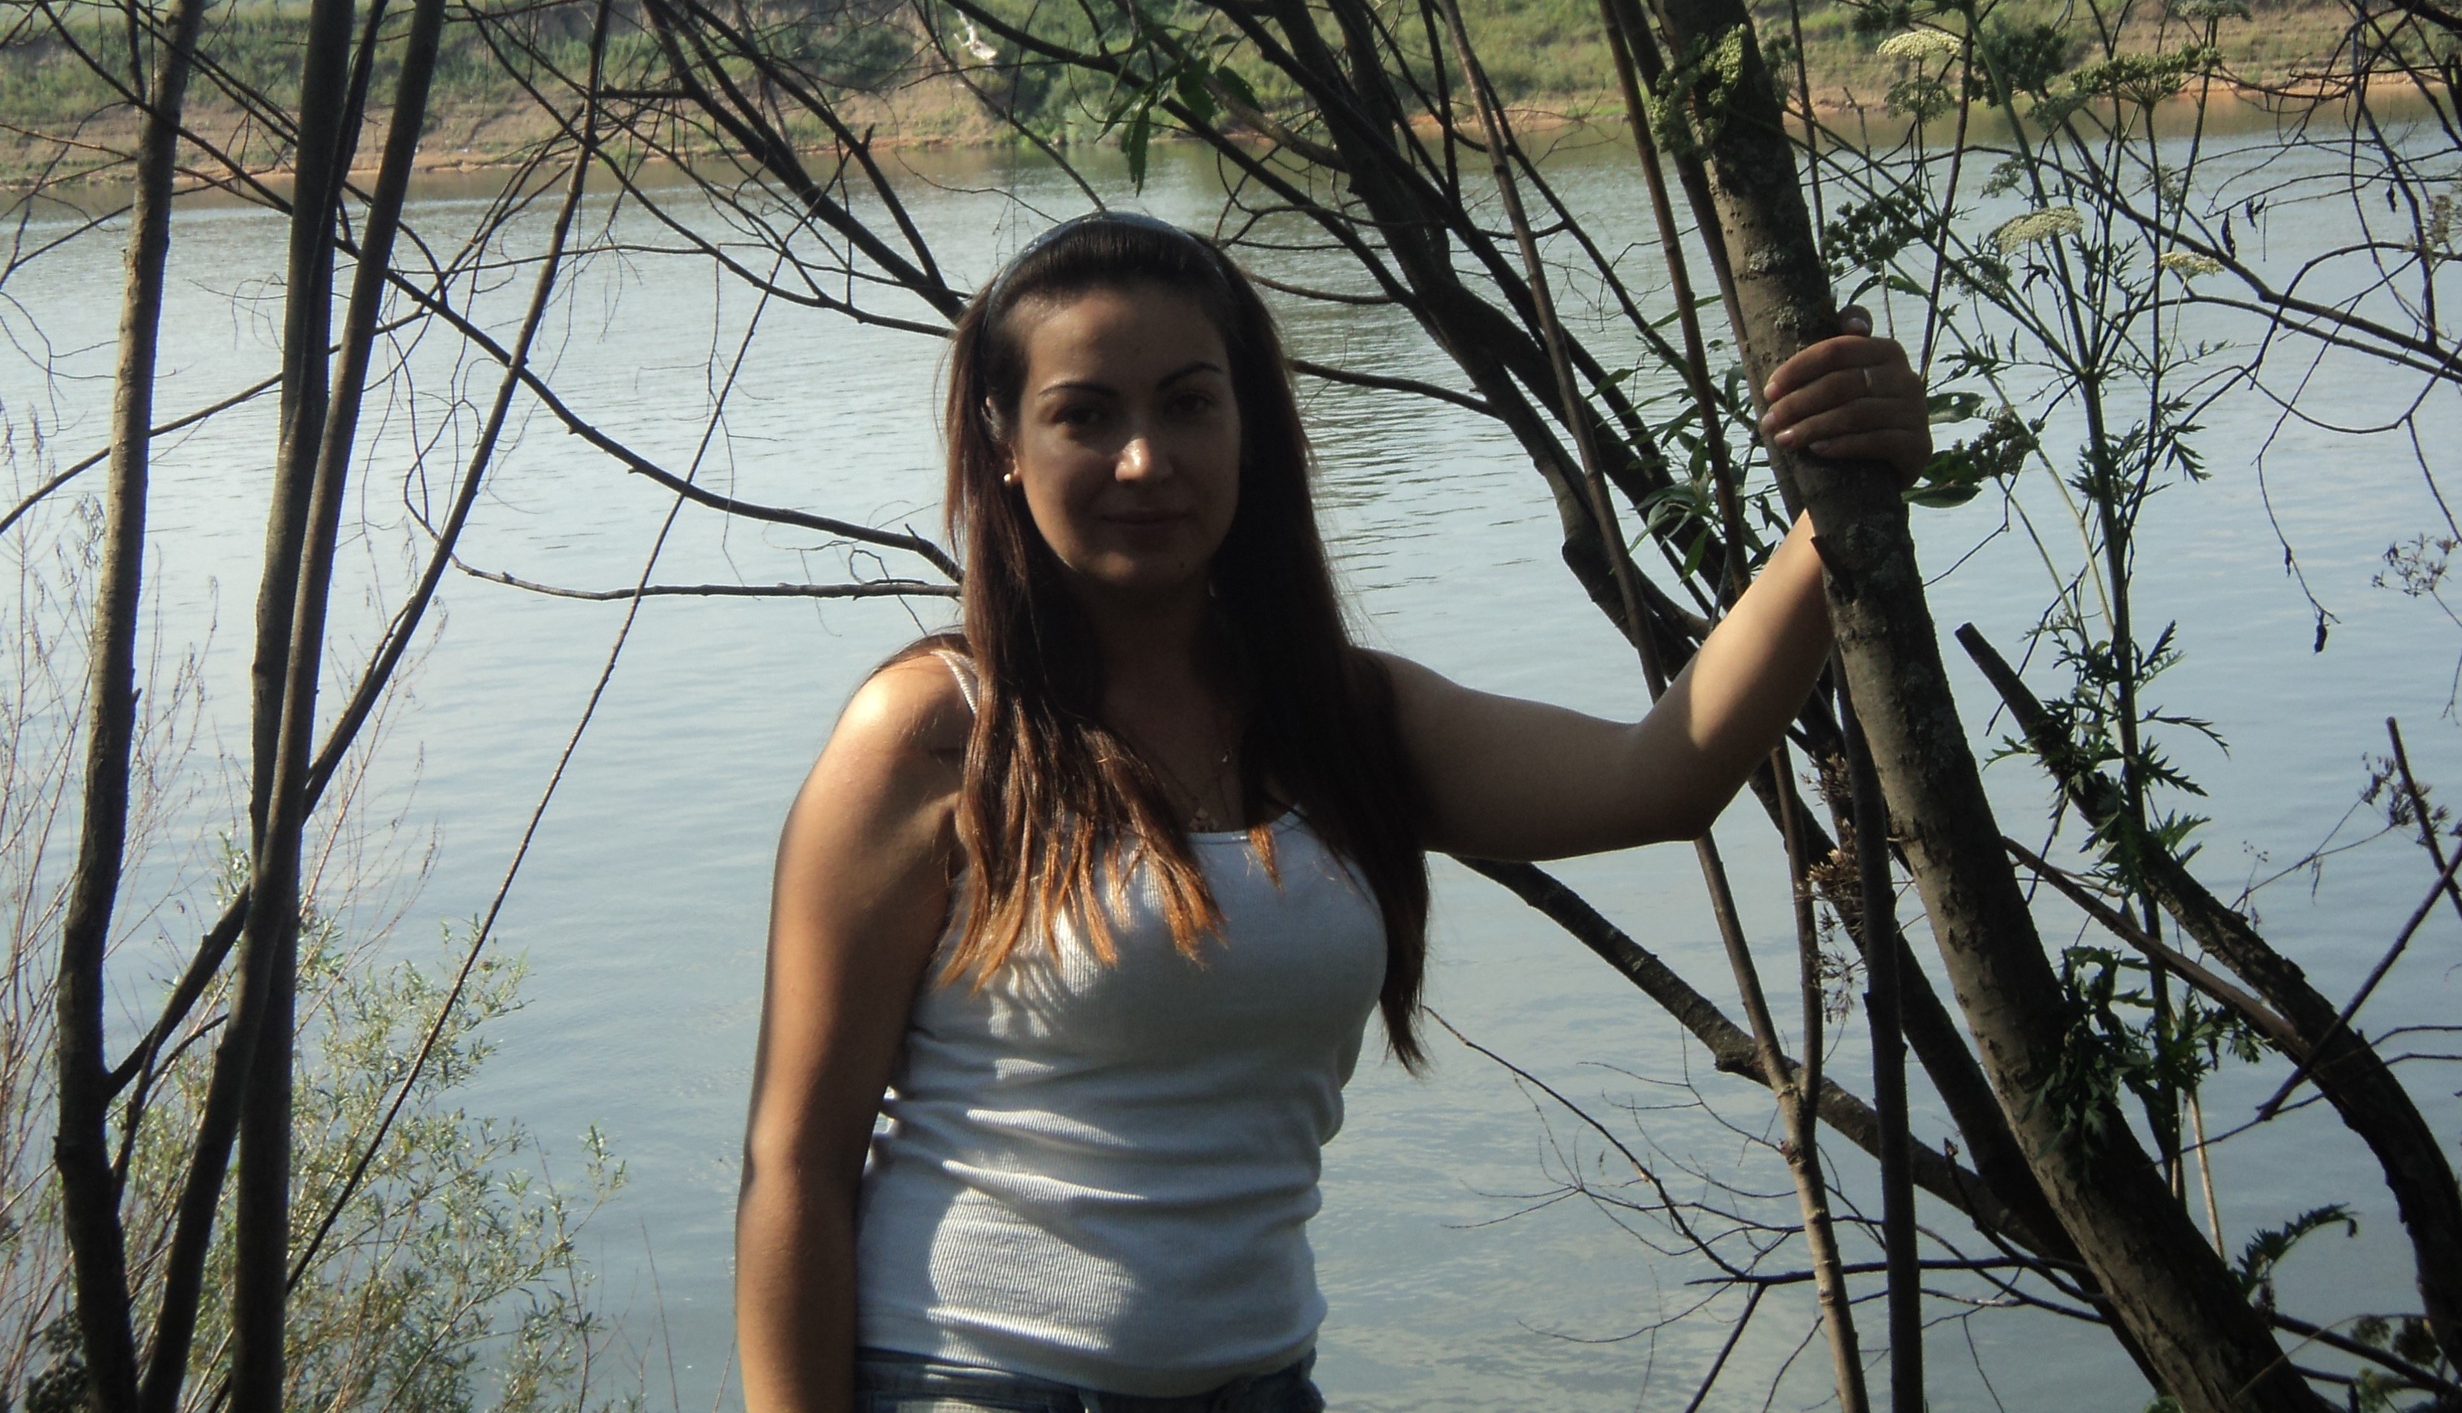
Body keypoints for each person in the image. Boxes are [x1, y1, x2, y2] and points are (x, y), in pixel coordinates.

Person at [736, 212, 1931, 1413]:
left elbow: (1660, 775)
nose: (1143, 460)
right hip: (969, 1384)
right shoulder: (937, 733)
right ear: (1004, 441)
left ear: (1247, 427)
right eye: (1084, 415)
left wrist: (1838, 503)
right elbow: (796, 1163)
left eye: (1188, 404)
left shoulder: (1342, 717)